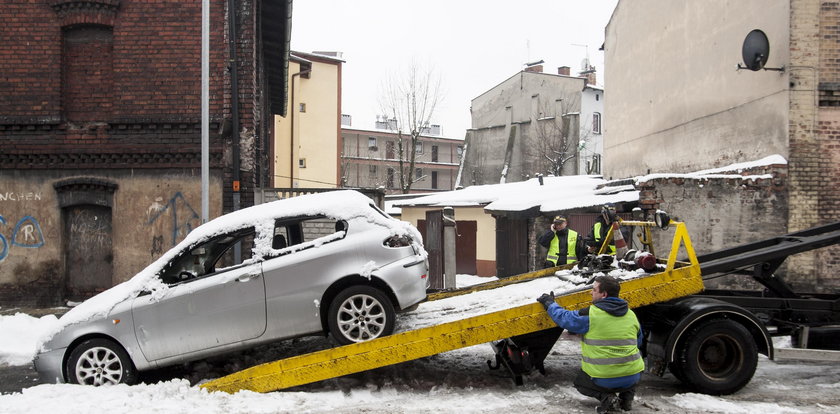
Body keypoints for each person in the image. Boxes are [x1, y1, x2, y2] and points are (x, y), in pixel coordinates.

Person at [537, 275, 643, 413]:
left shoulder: (590, 315)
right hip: (633, 376)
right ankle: (626, 399)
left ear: (604, 294)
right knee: (629, 369)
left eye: (594, 290)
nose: (590, 292)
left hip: (605, 378)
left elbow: (564, 318)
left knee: (580, 383)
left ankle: (607, 398)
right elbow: (638, 341)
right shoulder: (631, 315)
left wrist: (549, 303)